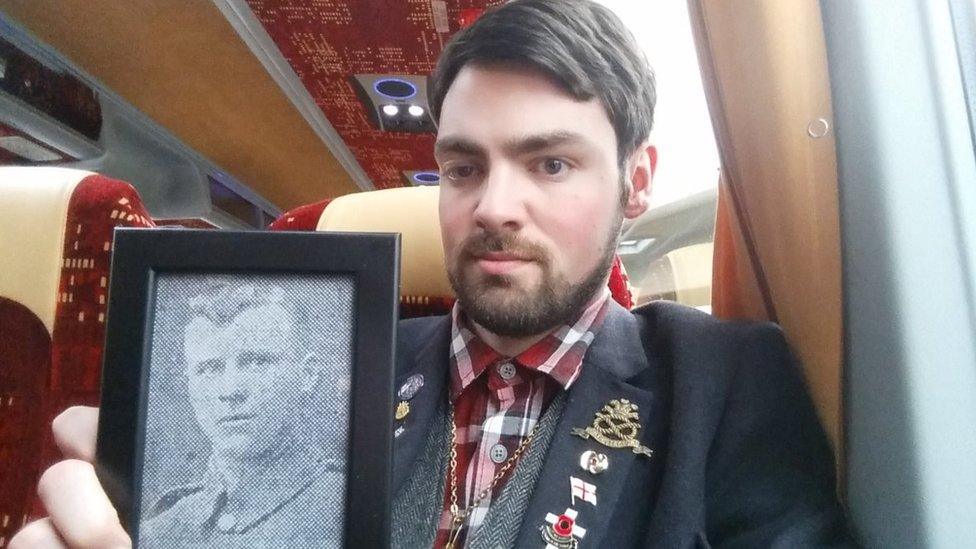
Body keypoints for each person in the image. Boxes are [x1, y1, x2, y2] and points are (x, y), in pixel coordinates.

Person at [11, 1, 855, 547]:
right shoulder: (341, 361)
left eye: (551, 165)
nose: (495, 205)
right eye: (461, 168)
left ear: (636, 183)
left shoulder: (726, 379)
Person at [136, 280, 346, 548]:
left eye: (257, 362)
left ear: (307, 376)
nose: (230, 390)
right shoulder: (159, 531)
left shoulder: (346, 504)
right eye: (209, 369)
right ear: (188, 383)